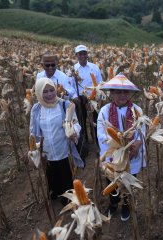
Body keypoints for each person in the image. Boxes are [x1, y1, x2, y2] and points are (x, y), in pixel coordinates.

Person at [97, 73, 144, 222]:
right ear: (111, 93)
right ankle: (113, 203)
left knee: (129, 181)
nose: (122, 95)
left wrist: (137, 143)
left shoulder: (137, 110)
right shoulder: (104, 111)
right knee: (112, 181)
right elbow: (101, 135)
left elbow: (141, 131)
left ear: (130, 93)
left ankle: (126, 205)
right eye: (118, 91)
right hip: (113, 155)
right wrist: (117, 146)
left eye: (125, 92)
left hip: (132, 154)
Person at [30, 77, 82, 206]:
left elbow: (75, 123)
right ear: (38, 93)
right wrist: (33, 147)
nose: (49, 94)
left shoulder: (64, 104)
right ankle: (56, 192)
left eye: (51, 90)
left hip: (64, 148)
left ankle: (69, 196)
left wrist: (73, 131)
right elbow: (33, 130)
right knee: (52, 174)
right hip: (46, 150)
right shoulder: (36, 109)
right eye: (45, 92)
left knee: (66, 174)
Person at [73, 44, 102, 144]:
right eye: (80, 54)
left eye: (84, 53)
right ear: (76, 55)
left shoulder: (94, 67)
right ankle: (84, 141)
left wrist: (99, 96)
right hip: (80, 99)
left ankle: (97, 140)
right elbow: (71, 86)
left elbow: (99, 83)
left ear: (87, 55)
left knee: (95, 121)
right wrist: (76, 98)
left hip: (94, 99)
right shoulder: (73, 69)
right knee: (82, 121)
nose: (82, 56)